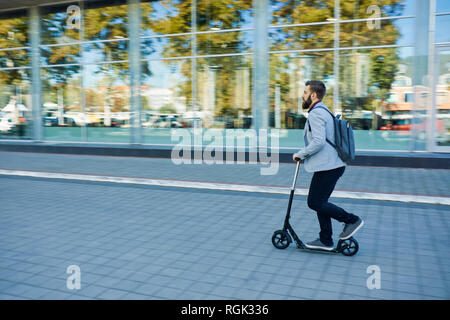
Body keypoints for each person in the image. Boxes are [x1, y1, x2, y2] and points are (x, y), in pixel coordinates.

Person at [292, 80, 364, 251]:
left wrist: (300, 154)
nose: (302, 95)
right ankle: (325, 239)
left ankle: (351, 220)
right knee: (320, 202)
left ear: (313, 95)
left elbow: (318, 141)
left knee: (314, 202)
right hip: (332, 165)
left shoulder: (316, 113)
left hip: (329, 167)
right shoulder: (325, 111)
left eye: (305, 92)